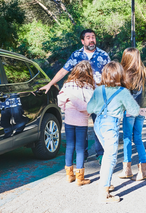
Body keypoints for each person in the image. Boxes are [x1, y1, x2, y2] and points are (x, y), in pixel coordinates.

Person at [41, 29, 111, 163]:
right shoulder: (76, 55)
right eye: (88, 37)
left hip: (99, 97)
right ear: (82, 41)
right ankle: (82, 153)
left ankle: (100, 153)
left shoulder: (103, 55)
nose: (92, 40)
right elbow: (63, 71)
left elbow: (110, 74)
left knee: (99, 125)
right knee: (81, 126)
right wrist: (50, 84)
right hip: (81, 98)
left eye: (93, 37)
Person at [87, 61, 140, 203]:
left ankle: (106, 183)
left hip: (98, 124)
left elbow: (89, 108)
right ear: (120, 75)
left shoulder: (99, 90)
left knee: (107, 155)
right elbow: (134, 110)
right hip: (111, 125)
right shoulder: (123, 92)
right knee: (110, 157)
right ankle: (103, 195)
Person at [118, 47, 146, 181]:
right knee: (138, 137)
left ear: (126, 58)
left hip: (130, 110)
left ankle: (127, 169)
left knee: (127, 137)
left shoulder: (125, 74)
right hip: (142, 109)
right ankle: (144, 169)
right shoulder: (145, 72)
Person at [57, 61, 94, 186]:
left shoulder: (67, 85)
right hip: (82, 121)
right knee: (80, 149)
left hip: (69, 120)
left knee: (69, 146)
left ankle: (69, 175)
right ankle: (80, 178)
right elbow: (91, 105)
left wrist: (66, 109)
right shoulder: (89, 87)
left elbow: (60, 101)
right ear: (88, 73)